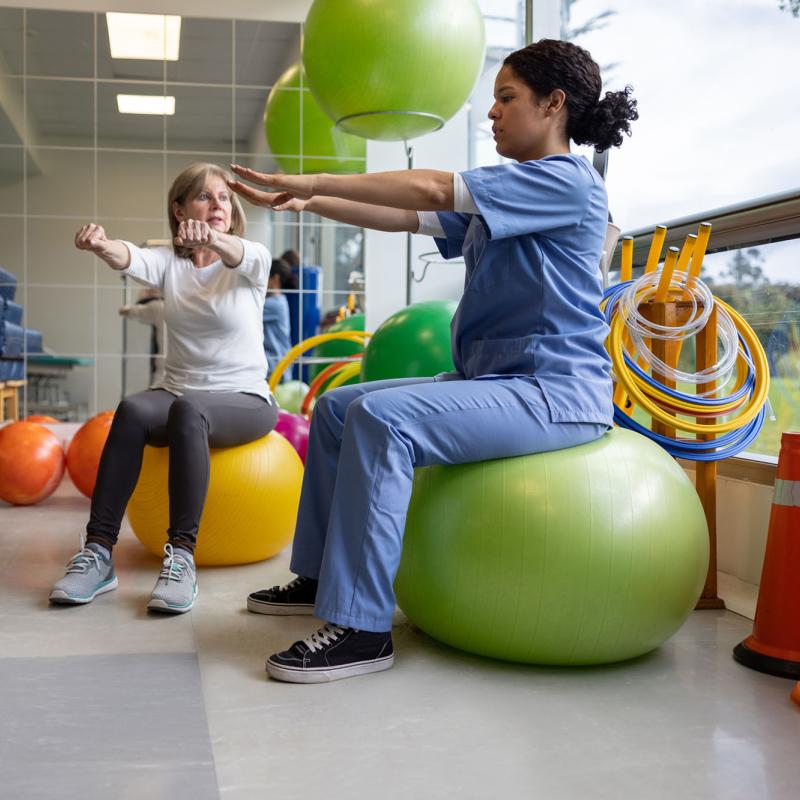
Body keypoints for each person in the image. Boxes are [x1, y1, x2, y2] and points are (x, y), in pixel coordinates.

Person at [230, 39, 638, 682]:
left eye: (507, 99)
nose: (493, 114)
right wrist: (310, 203)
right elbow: (410, 216)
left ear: (554, 105)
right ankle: (317, 578)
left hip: (554, 392)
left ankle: (363, 628)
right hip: (497, 381)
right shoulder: (510, 194)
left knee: (384, 421)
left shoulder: (567, 182)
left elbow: (428, 182)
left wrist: (313, 178)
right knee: (338, 406)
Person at [50, 163, 278, 614]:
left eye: (224, 198)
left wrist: (212, 239)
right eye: (204, 197)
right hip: (179, 393)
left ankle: (182, 557)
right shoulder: (171, 266)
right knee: (133, 409)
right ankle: (98, 553)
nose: (218, 206)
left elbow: (233, 251)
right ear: (179, 210)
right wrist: (101, 245)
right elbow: (129, 255)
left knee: (189, 411)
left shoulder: (250, 259)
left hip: (246, 399)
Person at [120, 288, 166, 384]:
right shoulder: (197, 307)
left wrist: (148, 296)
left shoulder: (159, 307)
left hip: (165, 372)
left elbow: (124, 310)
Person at [263, 257, 295, 381]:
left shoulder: (275, 304)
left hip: (276, 369)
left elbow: (246, 310)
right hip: (274, 367)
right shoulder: (276, 301)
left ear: (275, 278)